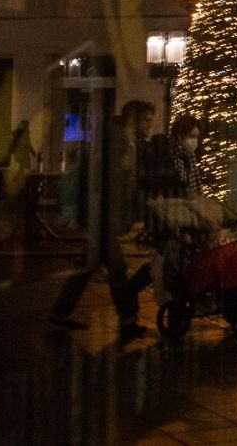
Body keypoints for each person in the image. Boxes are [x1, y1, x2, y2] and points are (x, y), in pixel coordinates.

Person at [49, 100, 154, 340]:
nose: (150, 126)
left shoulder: (128, 144)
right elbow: (109, 186)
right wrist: (111, 218)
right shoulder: (116, 144)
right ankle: (128, 320)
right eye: (147, 119)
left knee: (87, 267)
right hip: (104, 218)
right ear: (134, 118)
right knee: (117, 269)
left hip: (105, 218)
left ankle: (61, 312)